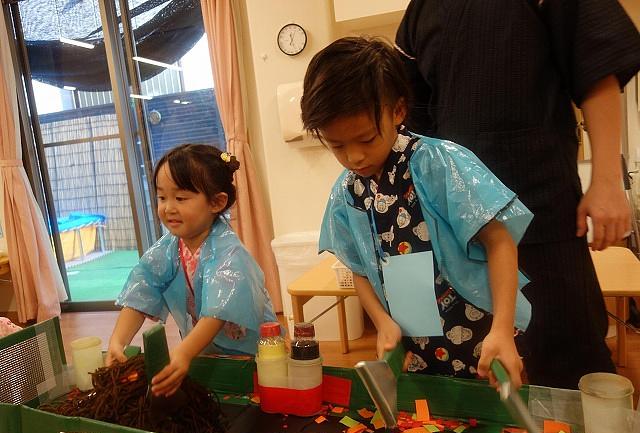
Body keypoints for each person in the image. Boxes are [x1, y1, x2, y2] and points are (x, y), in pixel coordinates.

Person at [395, 0, 640, 388]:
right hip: (460, 233)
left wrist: (608, 179)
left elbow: (596, 64)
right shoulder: (421, 10)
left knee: (567, 368)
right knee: (475, 375)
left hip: (543, 212)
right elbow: (414, 120)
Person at [301, 36, 534, 389]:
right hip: (414, 345)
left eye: (365, 139)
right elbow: (358, 270)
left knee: (493, 424)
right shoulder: (346, 192)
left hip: (481, 332)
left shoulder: (438, 163)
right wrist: (381, 321)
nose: (354, 158)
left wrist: (502, 327)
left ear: (397, 110)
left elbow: (499, 241)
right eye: (337, 146)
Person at [106, 144, 277, 397]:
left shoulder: (230, 253)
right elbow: (143, 287)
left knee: (249, 401)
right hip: (202, 351)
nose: (168, 208)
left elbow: (218, 312)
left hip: (250, 355)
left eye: (181, 198)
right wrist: (117, 342)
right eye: (162, 197)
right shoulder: (168, 248)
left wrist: (183, 352)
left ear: (217, 202)